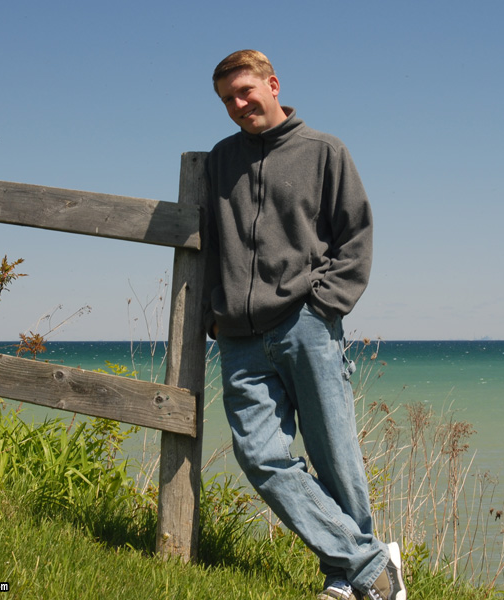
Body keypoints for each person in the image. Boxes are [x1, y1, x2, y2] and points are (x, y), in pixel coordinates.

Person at [202, 49, 406, 600]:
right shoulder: (219, 160)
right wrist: (213, 320)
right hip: (240, 339)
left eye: (245, 91)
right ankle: (371, 566)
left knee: (336, 458)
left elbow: (355, 234)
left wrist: (323, 306)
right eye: (227, 99)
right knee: (260, 456)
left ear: (272, 84)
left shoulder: (324, 151)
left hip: (306, 326)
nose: (238, 105)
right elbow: (209, 245)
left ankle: (346, 581)